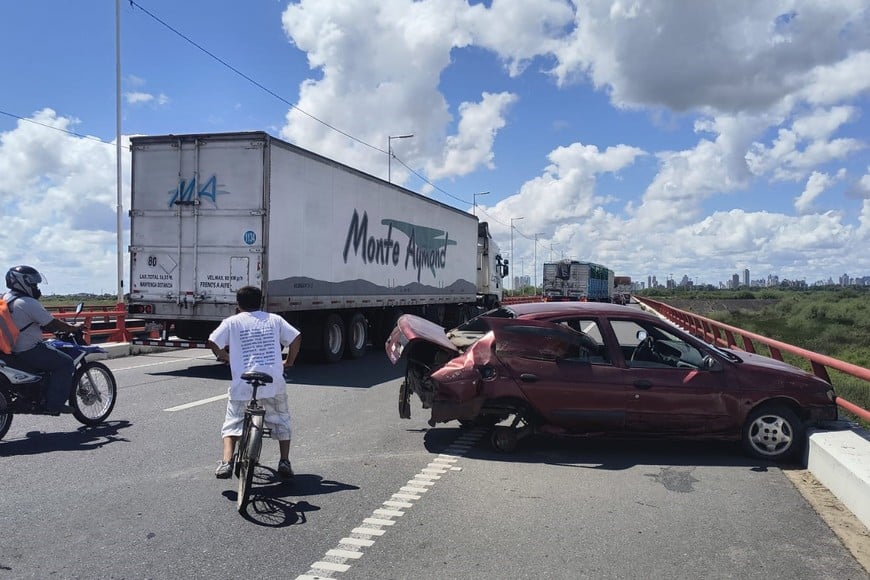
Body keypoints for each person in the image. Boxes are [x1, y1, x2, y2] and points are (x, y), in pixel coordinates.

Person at [207, 285, 301, 480]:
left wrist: (226, 357)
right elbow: (296, 337)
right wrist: (289, 361)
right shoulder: (274, 320)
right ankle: (284, 460)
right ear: (261, 301)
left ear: (238, 304)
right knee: (281, 419)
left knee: (233, 421)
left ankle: (226, 462)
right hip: (272, 382)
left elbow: (213, 341)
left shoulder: (232, 322)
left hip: (243, 382)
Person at [3, 265, 82, 414]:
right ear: (22, 282)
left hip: (9, 349)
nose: (36, 287)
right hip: (28, 350)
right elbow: (53, 324)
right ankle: (53, 404)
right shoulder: (27, 303)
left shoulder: (5, 299)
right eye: (33, 283)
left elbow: (22, 322)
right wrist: (73, 327)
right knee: (65, 363)